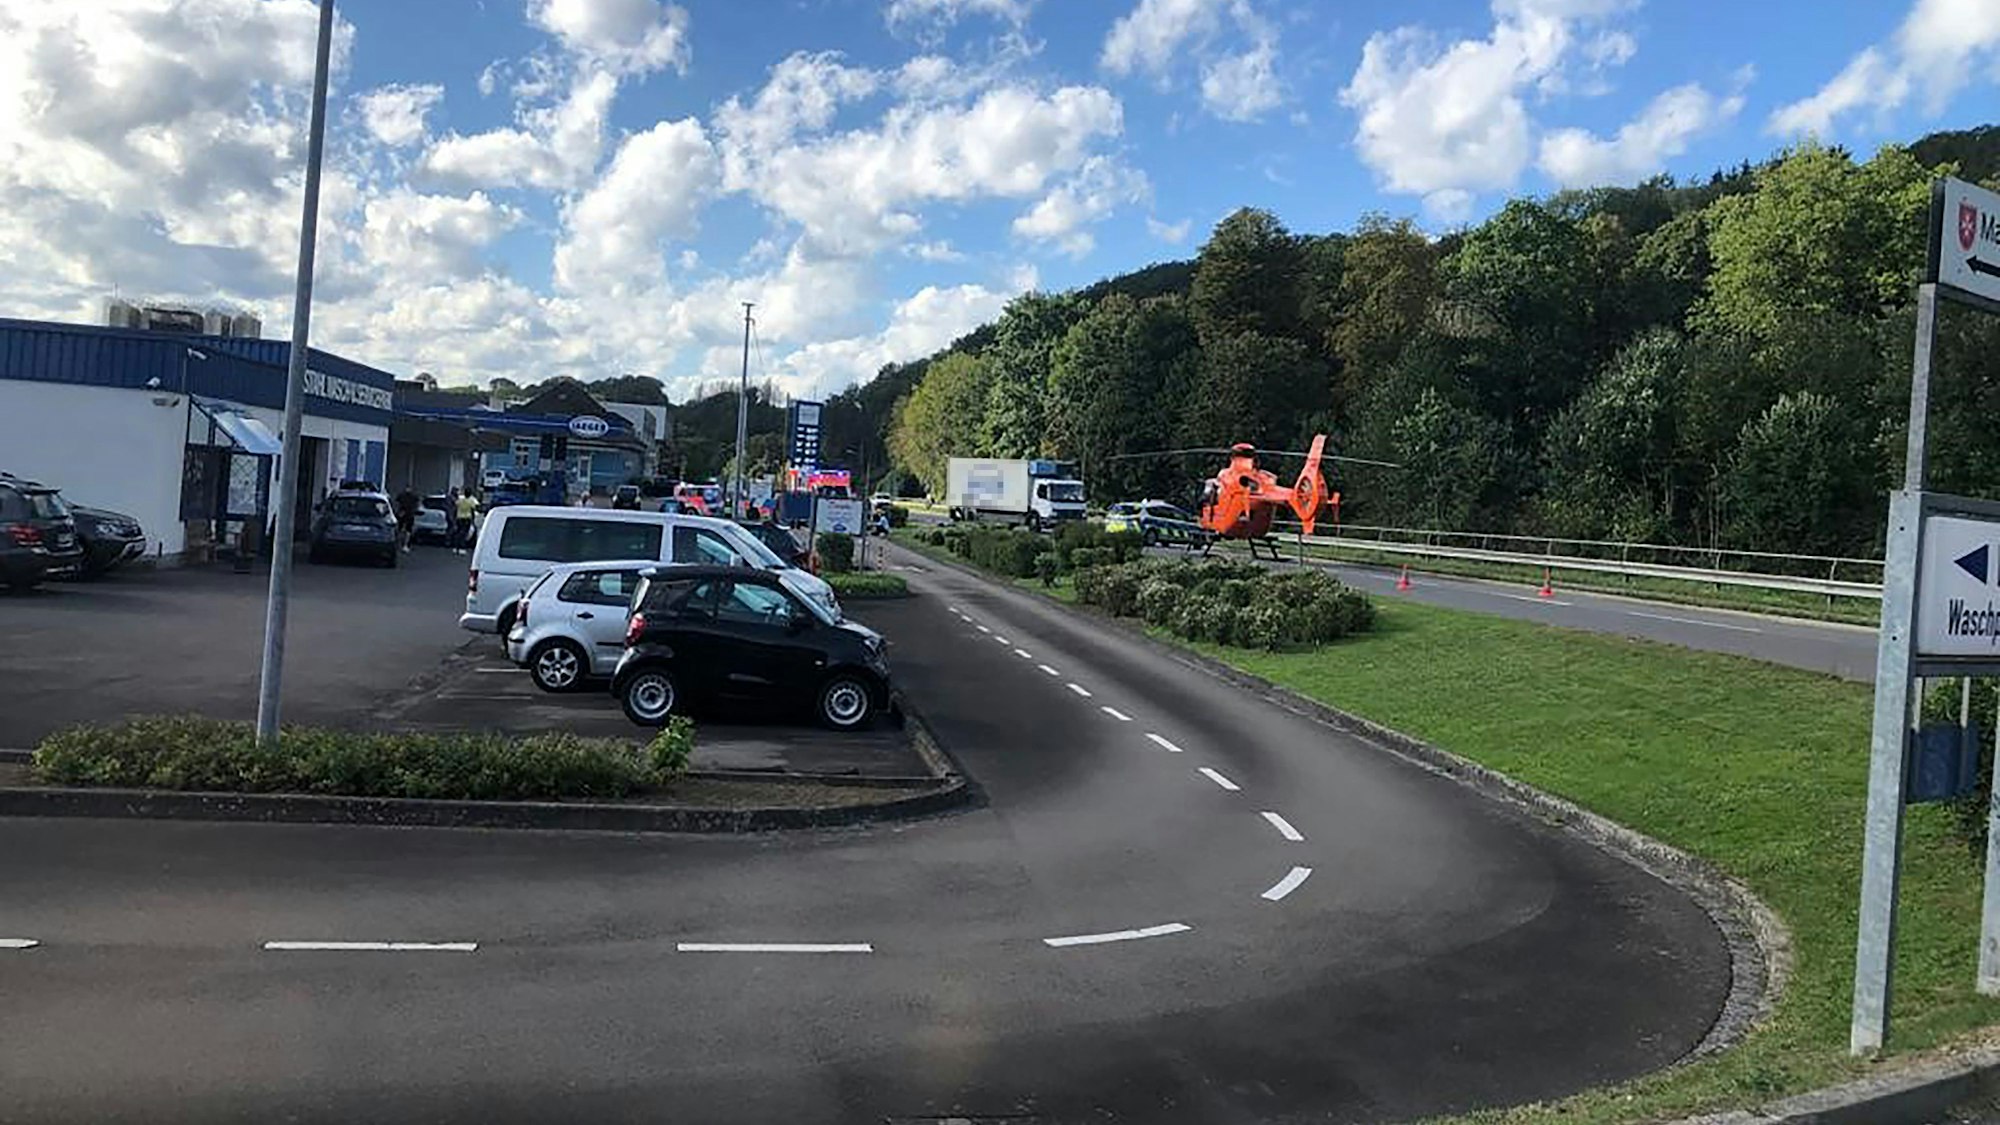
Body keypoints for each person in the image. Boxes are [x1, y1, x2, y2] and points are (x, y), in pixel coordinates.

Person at [453, 488, 480, 554]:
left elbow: (456, 506)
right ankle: (462, 548)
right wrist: (473, 520)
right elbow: (473, 509)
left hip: (459, 517)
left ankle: (456, 548)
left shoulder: (460, 499)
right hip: (467, 518)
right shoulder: (471, 500)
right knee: (464, 533)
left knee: (458, 532)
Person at [392, 487, 419, 553]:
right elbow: (417, 505)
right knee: (406, 530)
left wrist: (397, 512)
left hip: (404, 514)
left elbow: (396, 503)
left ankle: (401, 544)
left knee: (402, 529)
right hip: (407, 514)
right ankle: (404, 545)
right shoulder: (413, 497)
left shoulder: (403, 495)